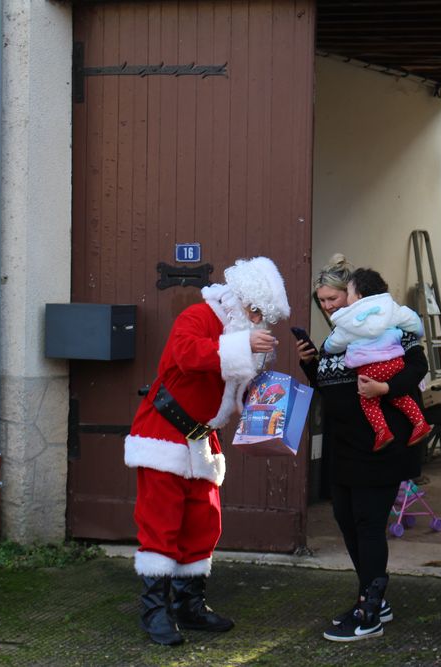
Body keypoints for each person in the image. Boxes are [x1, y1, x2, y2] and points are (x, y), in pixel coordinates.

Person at [124, 256, 290, 646]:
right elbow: (187, 354)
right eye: (254, 313)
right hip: (163, 434)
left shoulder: (238, 331)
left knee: (204, 524)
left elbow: (235, 387)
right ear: (240, 301)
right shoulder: (199, 316)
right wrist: (243, 343)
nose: (256, 322)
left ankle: (189, 605)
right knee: (161, 524)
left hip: (201, 440)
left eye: (261, 317)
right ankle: (154, 611)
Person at [297, 254, 427, 642]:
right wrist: (310, 364)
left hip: (381, 445)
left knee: (369, 524)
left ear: (354, 296)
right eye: (321, 301)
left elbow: (417, 367)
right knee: (345, 518)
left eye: (334, 298)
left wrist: (386, 388)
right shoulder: (336, 339)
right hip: (344, 447)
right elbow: (327, 387)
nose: (328, 306)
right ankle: (371, 595)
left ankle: (369, 611)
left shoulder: (391, 326)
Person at [323, 268, 432, 451]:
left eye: (347, 293)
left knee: (368, 401)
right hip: (394, 362)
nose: (327, 305)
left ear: (358, 295)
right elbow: (413, 322)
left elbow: (333, 344)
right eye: (322, 300)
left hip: (369, 369)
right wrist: (418, 333)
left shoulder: (349, 319)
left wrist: (327, 346)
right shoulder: (391, 309)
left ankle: (382, 431)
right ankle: (420, 422)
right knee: (400, 398)